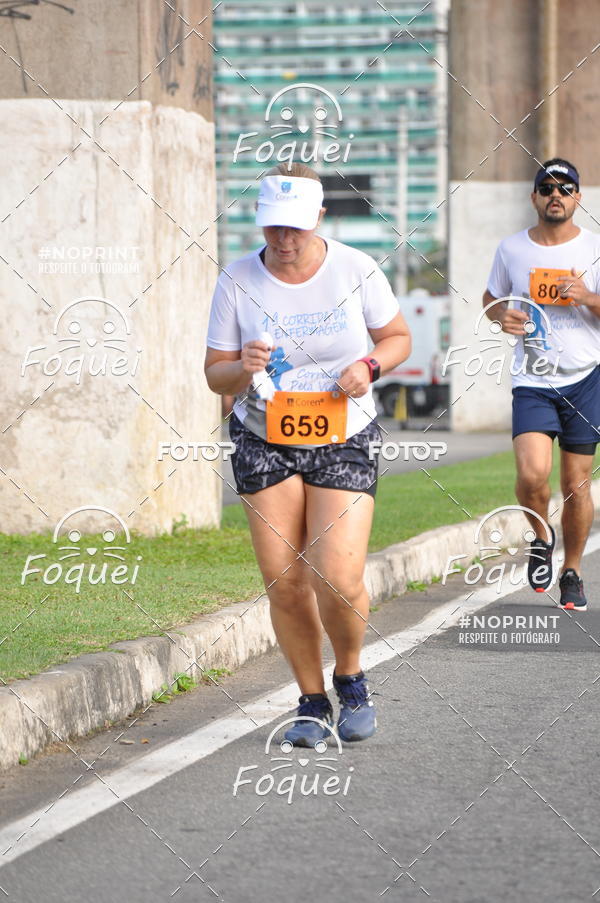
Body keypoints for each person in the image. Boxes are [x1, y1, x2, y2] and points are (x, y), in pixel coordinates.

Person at [205, 162, 410, 745]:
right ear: (260, 220)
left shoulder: (356, 268)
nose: (285, 240)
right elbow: (214, 375)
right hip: (263, 436)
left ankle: (350, 677)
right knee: (285, 580)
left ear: (319, 217)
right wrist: (239, 366)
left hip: (342, 433)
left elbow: (397, 340)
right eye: (273, 227)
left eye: (296, 227)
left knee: (338, 577)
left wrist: (367, 367)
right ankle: (311, 701)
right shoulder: (238, 278)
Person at [483, 158, 600, 612]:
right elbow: (492, 298)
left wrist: (587, 296)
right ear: (534, 197)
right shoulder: (512, 249)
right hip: (532, 379)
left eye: (565, 188)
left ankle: (572, 571)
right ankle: (540, 535)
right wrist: (501, 315)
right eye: (547, 187)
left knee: (576, 483)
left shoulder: (594, 248)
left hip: (586, 377)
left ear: (577, 198)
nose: (556, 194)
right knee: (532, 475)